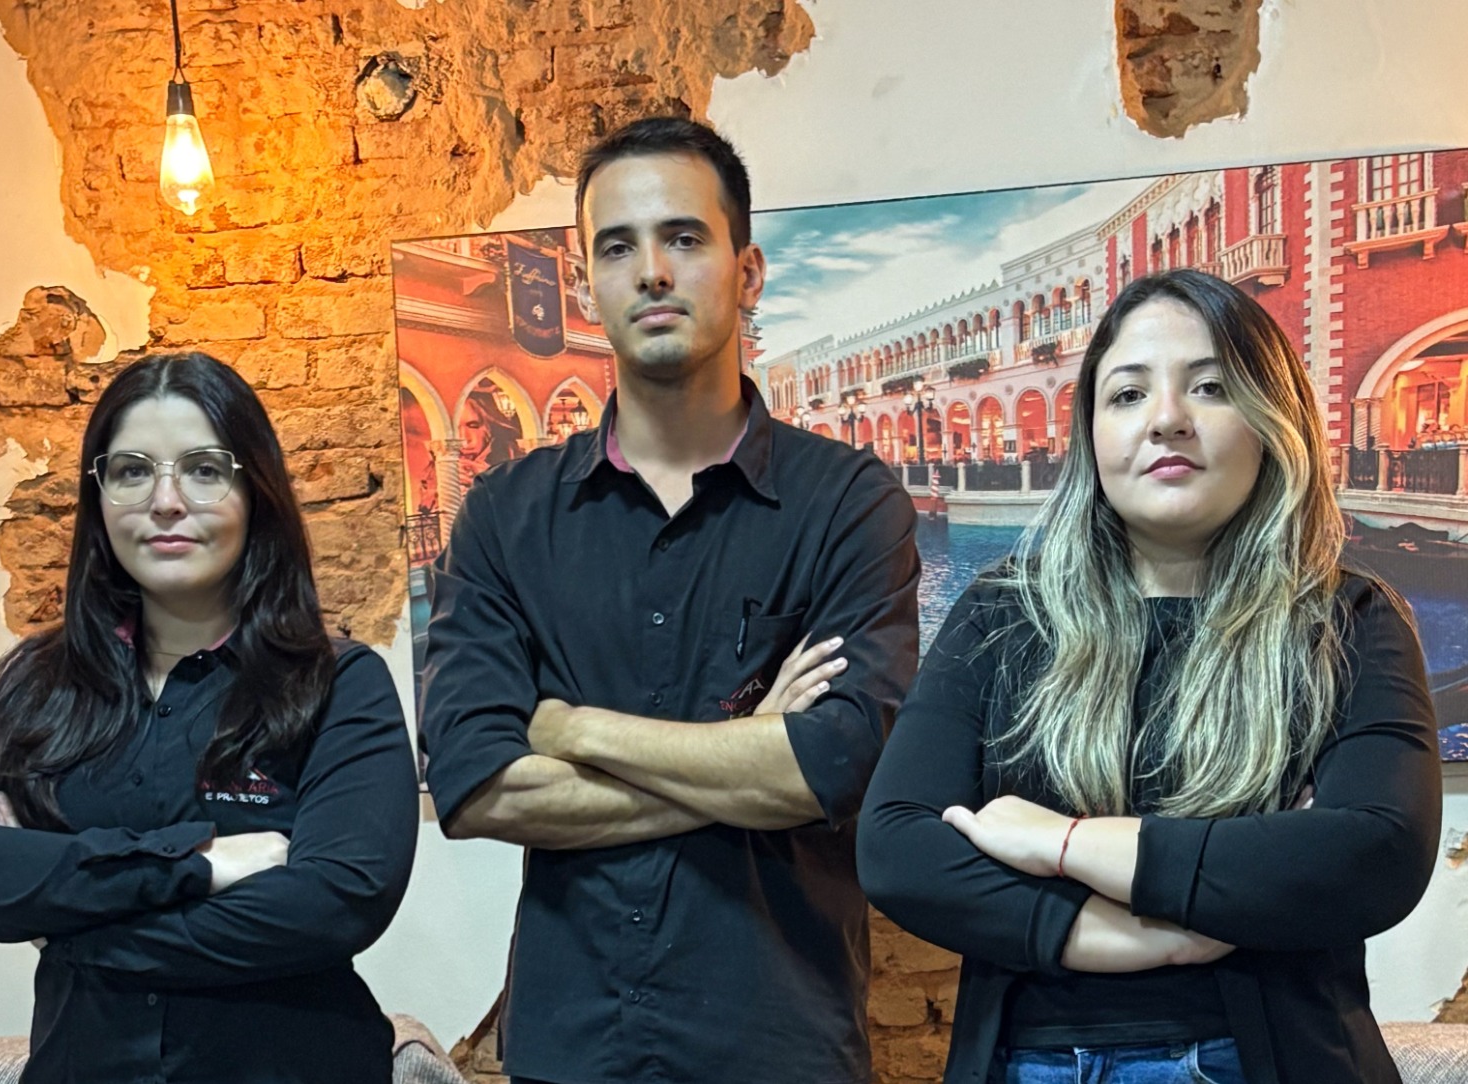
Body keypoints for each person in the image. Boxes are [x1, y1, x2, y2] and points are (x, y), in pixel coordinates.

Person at [420, 117, 921, 1084]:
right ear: (587, 286)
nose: (651, 271)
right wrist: (745, 757)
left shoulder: (848, 505)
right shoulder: (505, 516)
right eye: (617, 247)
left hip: (779, 1048)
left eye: (683, 238)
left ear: (748, 272)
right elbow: (478, 785)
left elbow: (830, 769)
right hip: (573, 1047)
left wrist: (571, 728)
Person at [858, 269, 1441, 1084]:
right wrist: (1147, 937)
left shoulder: (1347, 619)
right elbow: (898, 848)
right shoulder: (1002, 615)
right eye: (1128, 394)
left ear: (1272, 419)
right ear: (1092, 433)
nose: (1166, 419)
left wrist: (1060, 842)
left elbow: (1374, 853)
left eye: (1209, 387)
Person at [0, 352, 418, 1083]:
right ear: (100, 498)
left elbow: (334, 904)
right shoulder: (36, 684)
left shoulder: (338, 682)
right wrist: (199, 865)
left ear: (256, 491)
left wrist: (64, 915)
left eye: (204, 470)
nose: (166, 501)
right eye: (132, 471)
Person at [456, 384, 525, 486]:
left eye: (473, 426)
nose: (463, 439)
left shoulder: (515, 461)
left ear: (490, 426)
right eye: (454, 428)